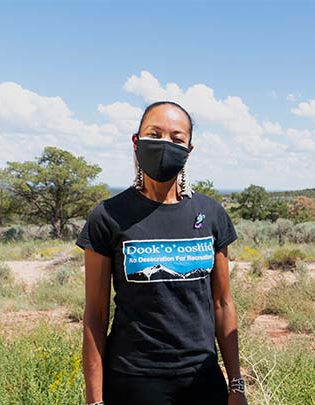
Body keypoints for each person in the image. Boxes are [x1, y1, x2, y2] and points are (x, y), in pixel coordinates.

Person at [77, 101, 247, 405]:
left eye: (176, 138)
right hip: (133, 380)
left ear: (189, 150)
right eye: (154, 134)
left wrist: (237, 386)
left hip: (202, 378)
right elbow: (96, 314)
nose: (164, 145)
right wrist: (94, 400)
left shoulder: (211, 214)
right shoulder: (108, 216)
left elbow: (222, 303)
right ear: (136, 141)